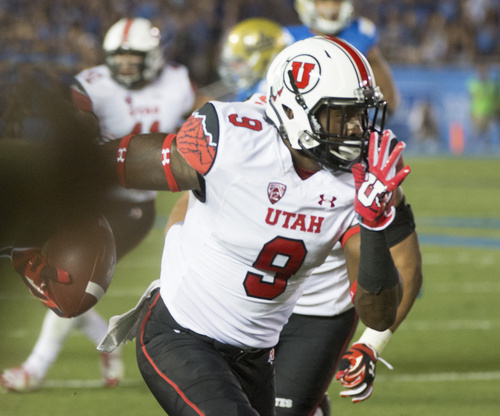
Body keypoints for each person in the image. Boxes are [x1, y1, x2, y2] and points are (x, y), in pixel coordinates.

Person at [95, 36, 410, 416]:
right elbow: (122, 164)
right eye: (343, 115)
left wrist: (374, 222)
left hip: (258, 359)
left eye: (362, 113)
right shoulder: (234, 138)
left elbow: (378, 314)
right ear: (298, 110)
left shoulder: (357, 182)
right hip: (180, 335)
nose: (359, 129)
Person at [0, 17, 196, 392]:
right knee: (60, 281)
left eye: (133, 58)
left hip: (133, 206)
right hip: (90, 200)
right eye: (118, 57)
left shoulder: (177, 82)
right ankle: (104, 343)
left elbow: (197, 123)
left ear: (152, 57)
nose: (124, 65)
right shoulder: (92, 85)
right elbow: (73, 131)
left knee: (72, 282)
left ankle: (34, 369)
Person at [288, 0, 399, 115]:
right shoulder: (286, 38)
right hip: (304, 114)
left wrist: (381, 115)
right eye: (322, 2)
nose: (330, 8)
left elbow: (388, 96)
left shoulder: (361, 32)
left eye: (336, 1)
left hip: (350, 114)